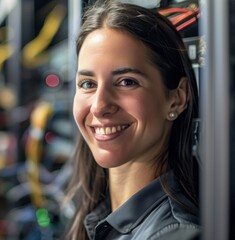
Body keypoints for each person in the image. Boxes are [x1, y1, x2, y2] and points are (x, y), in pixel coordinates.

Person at [64, 1, 200, 239]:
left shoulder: (175, 235)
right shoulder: (98, 217)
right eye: (88, 84)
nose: (99, 106)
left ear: (177, 99)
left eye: (127, 82)